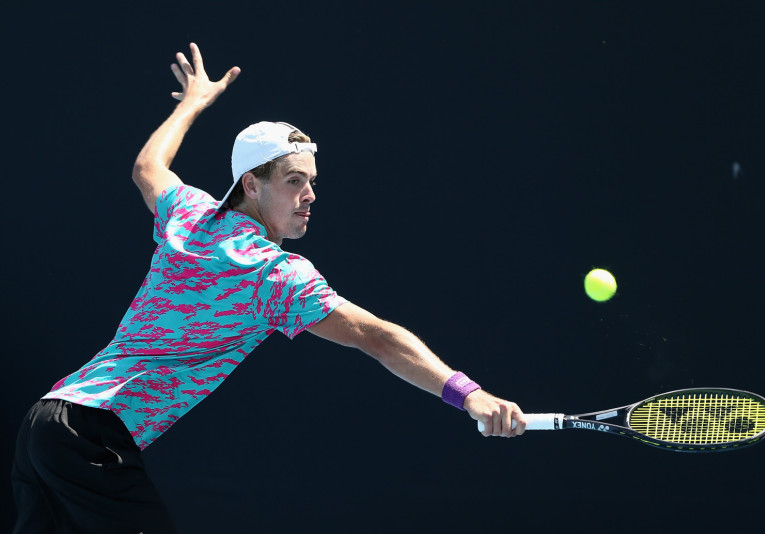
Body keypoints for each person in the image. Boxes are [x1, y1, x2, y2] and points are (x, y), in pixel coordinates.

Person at [11, 43, 526, 534]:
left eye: (312, 181)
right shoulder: (272, 274)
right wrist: (469, 395)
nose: (310, 195)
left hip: (46, 422)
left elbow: (148, 169)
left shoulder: (188, 213)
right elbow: (377, 337)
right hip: (90, 436)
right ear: (251, 185)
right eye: (294, 181)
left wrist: (192, 103)